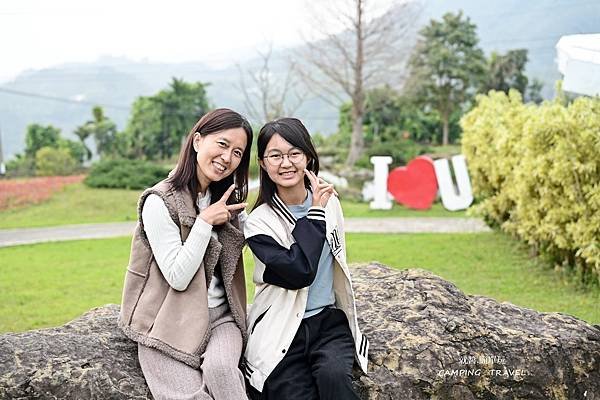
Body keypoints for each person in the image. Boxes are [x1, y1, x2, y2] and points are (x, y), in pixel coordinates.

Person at [118, 108, 253, 400]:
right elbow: (178, 277)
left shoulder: (226, 202)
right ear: (196, 141)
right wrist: (204, 223)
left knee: (224, 374)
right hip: (167, 323)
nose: (227, 158)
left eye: (238, 152)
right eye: (222, 144)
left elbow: (262, 240)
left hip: (221, 319)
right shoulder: (159, 201)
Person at [243, 118, 369, 400]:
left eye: (294, 154)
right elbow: (300, 272)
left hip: (327, 323)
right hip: (282, 326)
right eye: (275, 156)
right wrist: (314, 214)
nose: (285, 163)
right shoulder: (259, 223)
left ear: (308, 157)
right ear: (263, 163)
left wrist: (319, 208)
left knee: (335, 379)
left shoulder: (330, 202)